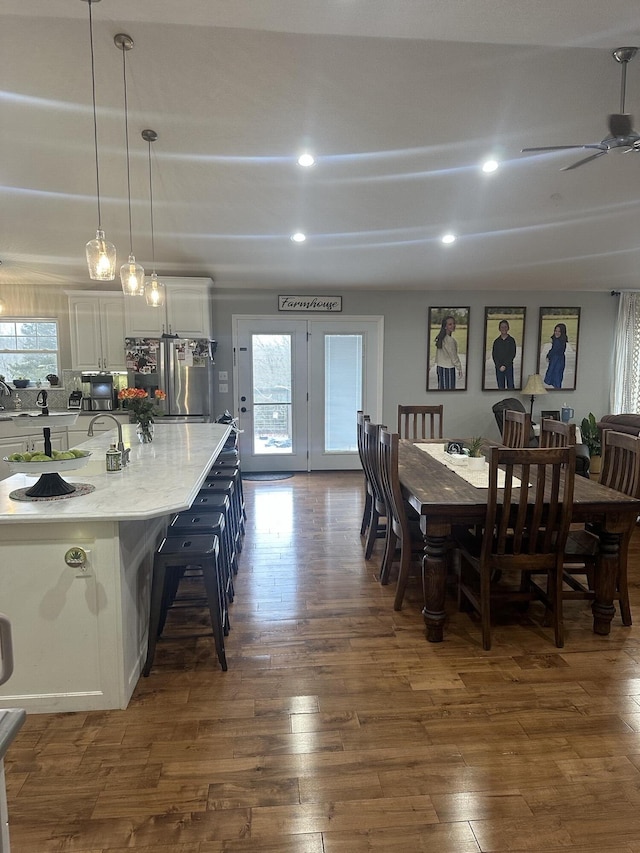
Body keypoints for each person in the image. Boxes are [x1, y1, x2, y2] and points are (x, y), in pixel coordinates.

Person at [434, 315, 463, 390]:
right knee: (449, 390)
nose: (453, 326)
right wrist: (459, 368)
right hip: (448, 368)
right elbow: (454, 356)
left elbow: (437, 355)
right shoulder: (450, 340)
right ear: (445, 326)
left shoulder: (441, 338)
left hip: (440, 367)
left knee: (441, 389)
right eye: (450, 324)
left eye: (453, 323)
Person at [491, 319, 517, 389]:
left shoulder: (511, 340)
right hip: (499, 367)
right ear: (499, 329)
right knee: (500, 386)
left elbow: (512, 354)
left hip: (508, 366)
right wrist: (499, 365)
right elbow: (494, 355)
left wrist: (505, 365)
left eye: (505, 327)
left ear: (508, 328)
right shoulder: (497, 341)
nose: (504, 329)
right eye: (502, 327)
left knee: (510, 385)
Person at [543, 322, 568, 388]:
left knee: (556, 375)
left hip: (557, 360)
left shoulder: (559, 341)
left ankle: (557, 388)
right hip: (557, 359)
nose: (557, 333)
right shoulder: (558, 340)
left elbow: (554, 350)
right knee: (556, 376)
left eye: (559, 331)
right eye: (556, 331)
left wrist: (548, 355)